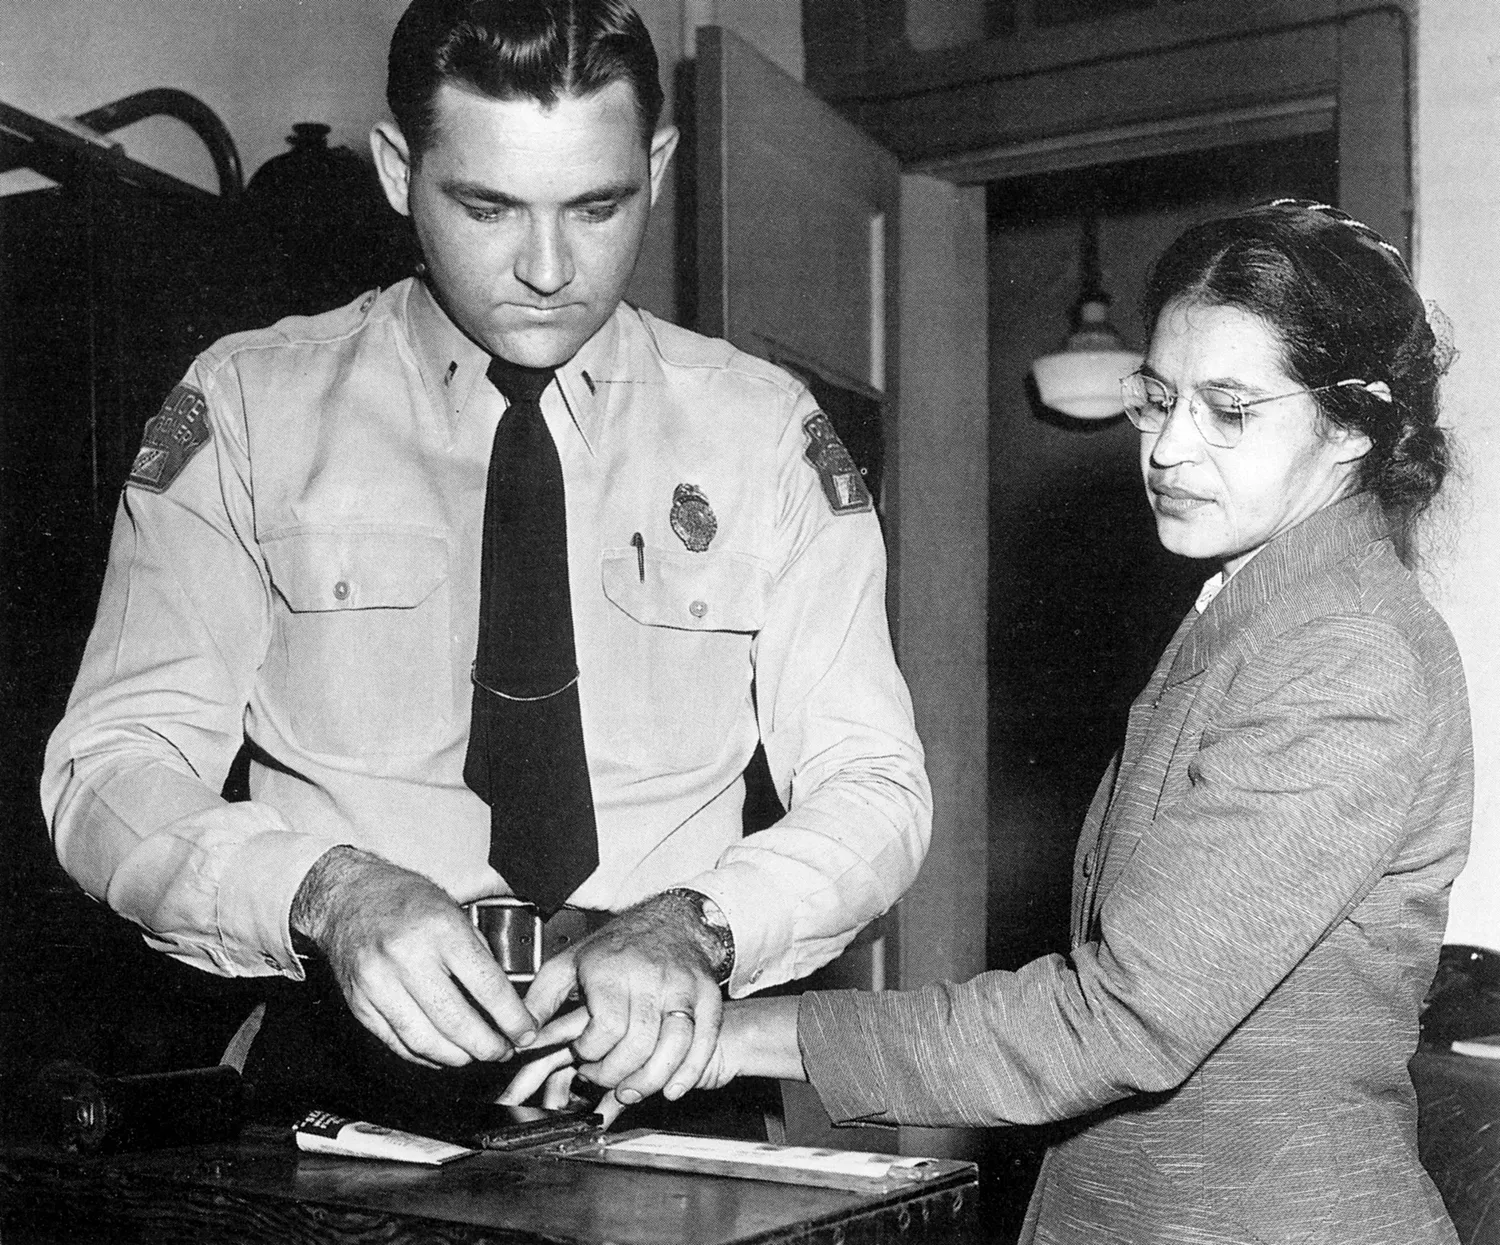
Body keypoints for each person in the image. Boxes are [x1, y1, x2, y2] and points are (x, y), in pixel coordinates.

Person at [510, 201, 1472, 1242]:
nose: (1168, 449)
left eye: (1229, 410)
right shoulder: (1263, 613)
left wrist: (727, 1036)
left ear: (1355, 422)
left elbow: (1118, 1021)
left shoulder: (1348, 653)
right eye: (1158, 402)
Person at [40, 0, 929, 1114]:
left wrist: (702, 923)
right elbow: (108, 770)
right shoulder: (248, 406)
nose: (549, 269)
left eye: (599, 206)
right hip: (337, 1081)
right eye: (489, 206)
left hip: (661, 1070)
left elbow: (875, 786)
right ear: (398, 168)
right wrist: (328, 893)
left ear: (656, 164)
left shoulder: (765, 434)